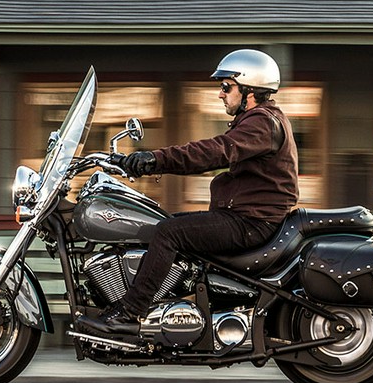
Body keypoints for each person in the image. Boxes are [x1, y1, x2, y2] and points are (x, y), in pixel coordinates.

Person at [75, 49, 299, 337]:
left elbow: (212, 152)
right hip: (243, 216)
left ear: (250, 90)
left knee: (168, 232)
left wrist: (154, 159)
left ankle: (130, 313)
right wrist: (123, 162)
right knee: (155, 225)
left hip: (251, 223)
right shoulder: (258, 121)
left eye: (226, 87)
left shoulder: (262, 123)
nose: (220, 94)